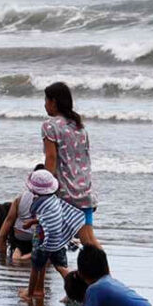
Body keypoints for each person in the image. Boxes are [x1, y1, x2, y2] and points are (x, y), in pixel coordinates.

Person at [41, 82, 100, 248]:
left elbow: (51, 159)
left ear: (54, 102)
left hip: (65, 194)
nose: (44, 104)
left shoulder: (50, 126)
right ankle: (104, 272)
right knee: (88, 239)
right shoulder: (79, 126)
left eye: (46, 100)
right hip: (84, 191)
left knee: (47, 238)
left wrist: (45, 190)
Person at [19, 169, 86, 300]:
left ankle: (30, 292)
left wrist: (30, 222)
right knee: (61, 267)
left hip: (43, 239)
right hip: (58, 240)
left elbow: (43, 220)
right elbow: (51, 218)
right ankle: (74, 292)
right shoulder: (54, 200)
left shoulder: (40, 203)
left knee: (36, 267)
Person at [0, 164, 44, 265]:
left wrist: (0, 237)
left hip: (20, 234)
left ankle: (19, 251)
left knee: (21, 245)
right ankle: (30, 254)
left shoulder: (19, 198)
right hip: (37, 236)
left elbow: (9, 219)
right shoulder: (48, 199)